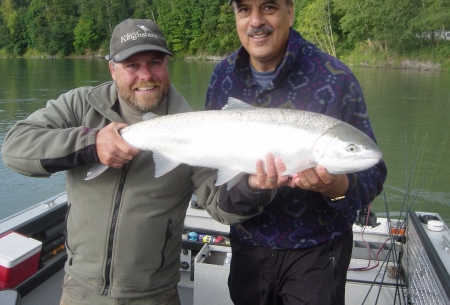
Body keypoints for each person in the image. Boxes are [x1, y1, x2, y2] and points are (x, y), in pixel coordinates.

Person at [1, 18, 285, 305]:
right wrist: (90, 144)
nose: (146, 75)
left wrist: (254, 187)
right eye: (132, 66)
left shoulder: (196, 126)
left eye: (155, 62)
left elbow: (220, 206)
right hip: (79, 290)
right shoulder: (80, 106)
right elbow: (15, 148)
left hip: (154, 297)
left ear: (167, 64)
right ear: (112, 69)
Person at [204, 0, 388, 305]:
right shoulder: (221, 76)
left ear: (290, 10)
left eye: (269, 7)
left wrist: (338, 188)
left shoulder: (336, 78)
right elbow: (215, 174)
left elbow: (374, 172)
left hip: (317, 254)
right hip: (248, 247)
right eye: (244, 10)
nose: (256, 20)